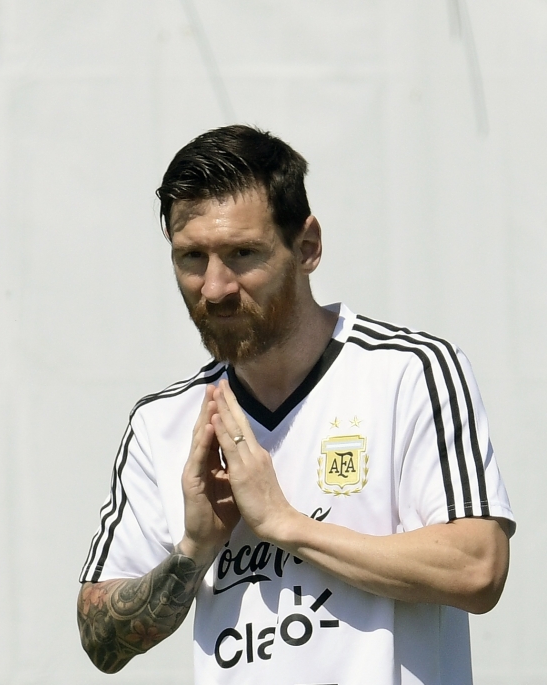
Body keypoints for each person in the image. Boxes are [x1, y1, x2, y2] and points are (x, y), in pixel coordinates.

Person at [76, 125, 514, 685]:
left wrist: (285, 524)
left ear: (307, 247)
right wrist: (194, 549)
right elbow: (100, 640)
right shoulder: (162, 422)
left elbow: (478, 568)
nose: (214, 287)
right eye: (191, 257)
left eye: (242, 254)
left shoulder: (407, 372)